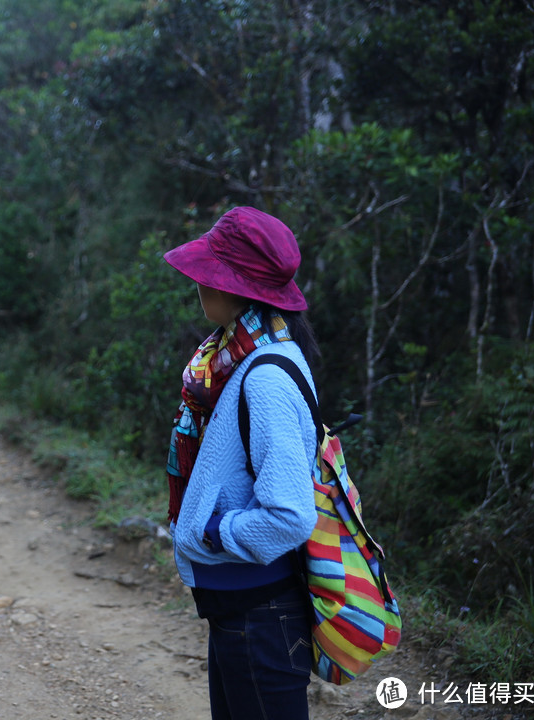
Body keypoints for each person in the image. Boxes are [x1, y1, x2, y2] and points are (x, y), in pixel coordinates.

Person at [163, 206, 321, 720]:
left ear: (238, 287)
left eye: (209, 274)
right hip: (242, 608)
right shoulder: (244, 352)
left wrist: (211, 531)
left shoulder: (265, 377)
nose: (198, 283)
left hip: (261, 612)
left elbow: (291, 515)